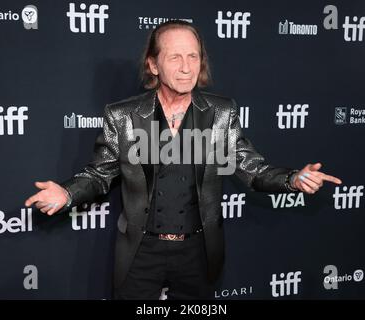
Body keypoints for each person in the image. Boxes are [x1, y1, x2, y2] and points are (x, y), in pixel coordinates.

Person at [24, 20, 342, 300]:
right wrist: (67, 193)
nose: (187, 67)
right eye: (175, 57)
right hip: (140, 251)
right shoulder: (122, 115)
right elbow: (100, 174)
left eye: (193, 56)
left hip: (198, 251)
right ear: (153, 65)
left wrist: (292, 179)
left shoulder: (222, 113)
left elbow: (252, 168)